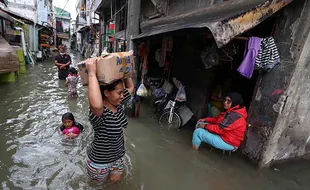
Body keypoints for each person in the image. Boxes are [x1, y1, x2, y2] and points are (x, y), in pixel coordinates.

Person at [86, 58, 134, 183]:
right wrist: (91, 73)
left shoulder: (118, 103)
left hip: (117, 158)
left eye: (122, 93)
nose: (122, 96)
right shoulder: (100, 113)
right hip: (99, 163)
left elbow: (131, 87)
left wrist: (124, 67)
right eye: (119, 93)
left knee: (114, 184)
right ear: (106, 93)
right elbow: (96, 105)